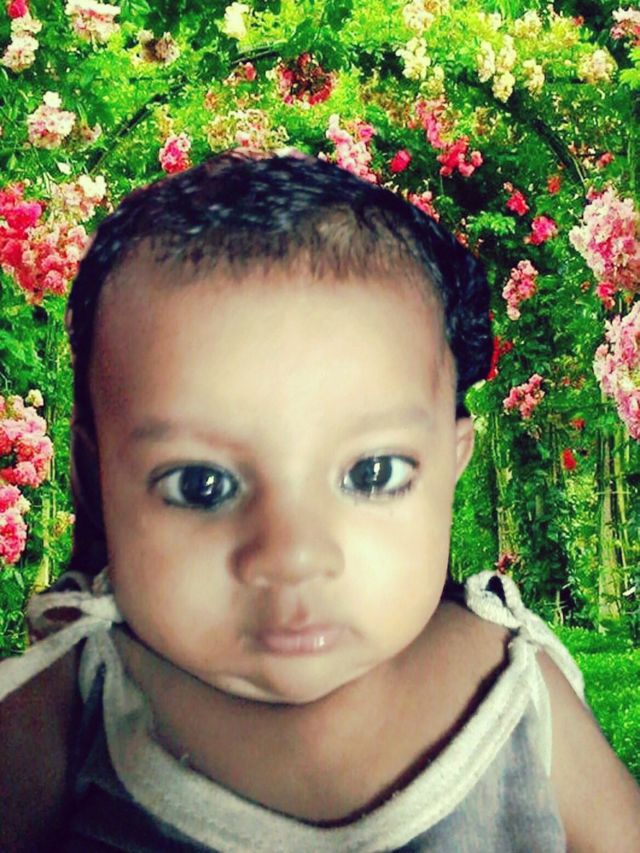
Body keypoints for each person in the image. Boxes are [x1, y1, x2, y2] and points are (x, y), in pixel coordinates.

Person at [1, 150, 639, 853]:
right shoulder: (77, 700)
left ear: (450, 466)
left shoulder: (513, 683)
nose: (292, 554)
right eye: (200, 484)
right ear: (96, 478)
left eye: (373, 473)